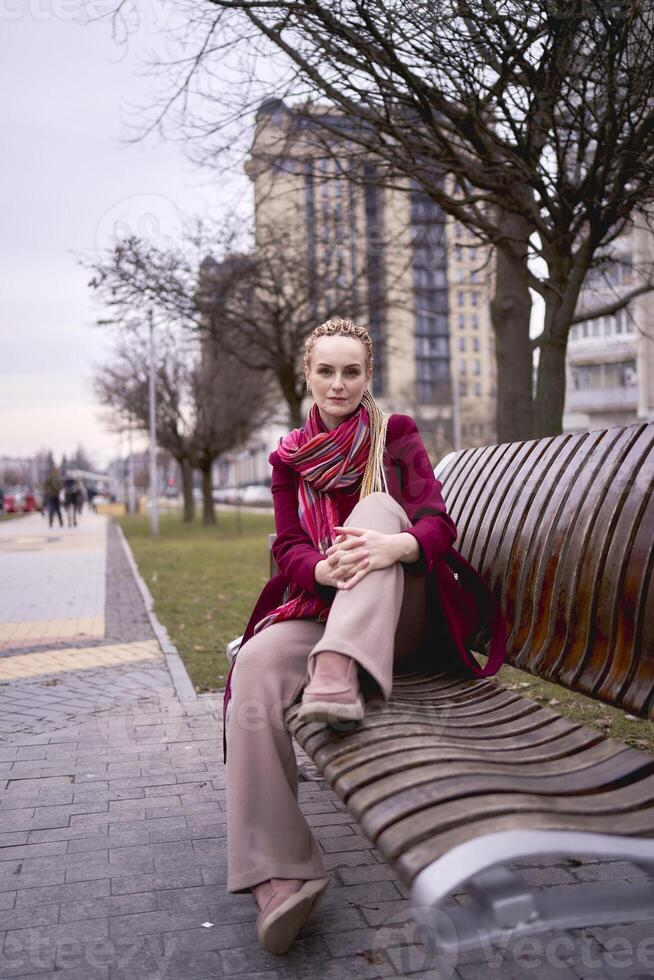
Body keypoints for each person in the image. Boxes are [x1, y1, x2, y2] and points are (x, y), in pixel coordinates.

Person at [223, 318, 507, 956]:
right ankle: (280, 871)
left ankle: (335, 673)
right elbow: (288, 544)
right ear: (308, 373)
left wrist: (395, 543)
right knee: (258, 666)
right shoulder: (288, 457)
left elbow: (436, 520)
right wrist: (319, 567)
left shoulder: (394, 434)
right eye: (326, 370)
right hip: (327, 606)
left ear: (368, 375)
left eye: (352, 371)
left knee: (378, 510)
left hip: (403, 615)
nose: (339, 382)